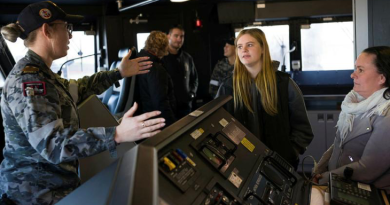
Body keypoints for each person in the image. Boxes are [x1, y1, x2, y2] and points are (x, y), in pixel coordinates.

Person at [0, 1, 165, 204]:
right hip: (35, 195)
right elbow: (53, 145)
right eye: (66, 28)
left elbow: (77, 89)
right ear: (47, 30)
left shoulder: (43, 74)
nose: (70, 35)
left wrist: (118, 73)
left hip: (53, 188)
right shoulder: (29, 81)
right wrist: (116, 134)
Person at [216, 28, 313, 169]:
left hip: (280, 167)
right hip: (242, 166)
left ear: (262, 48)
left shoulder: (284, 84)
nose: (244, 50)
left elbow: (303, 129)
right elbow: (218, 127)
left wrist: (290, 153)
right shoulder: (228, 87)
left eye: (250, 45)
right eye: (239, 46)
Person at [311, 46, 390, 204]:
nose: (353, 74)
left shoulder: (386, 114)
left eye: (360, 70)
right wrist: (320, 168)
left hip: (372, 195)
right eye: (355, 68)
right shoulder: (356, 104)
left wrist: (325, 178)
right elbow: (339, 144)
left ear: (381, 78)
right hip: (340, 186)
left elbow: (368, 168)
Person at [136, 31, 177, 126]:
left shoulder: (140, 62)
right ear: (163, 47)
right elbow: (160, 101)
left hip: (146, 119)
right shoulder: (155, 68)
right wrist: (173, 125)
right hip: (156, 122)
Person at [162, 25, 198, 118]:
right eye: (176, 36)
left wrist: (192, 94)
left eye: (181, 36)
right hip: (168, 108)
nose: (179, 39)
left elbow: (194, 78)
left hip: (186, 107)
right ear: (168, 36)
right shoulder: (162, 58)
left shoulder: (187, 58)